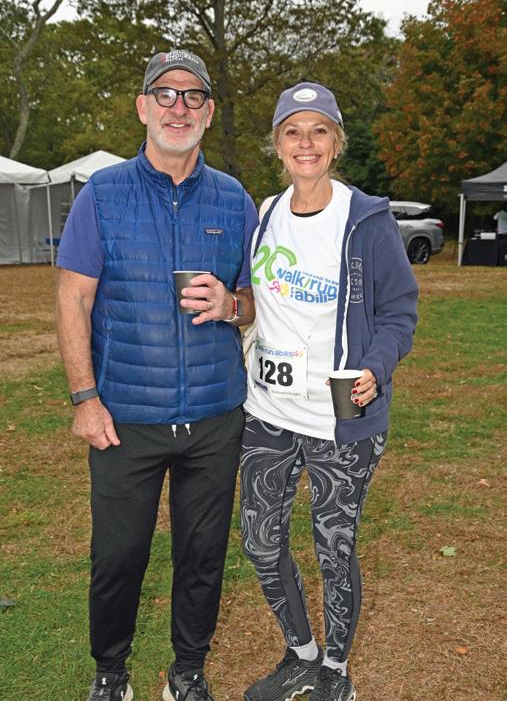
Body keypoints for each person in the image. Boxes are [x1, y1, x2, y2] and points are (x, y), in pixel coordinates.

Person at [55, 49, 257, 701]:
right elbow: (73, 300)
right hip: (125, 418)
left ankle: (187, 671)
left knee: (202, 555)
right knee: (118, 556)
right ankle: (110, 672)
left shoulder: (234, 199)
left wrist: (231, 306)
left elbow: (257, 299)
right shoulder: (102, 194)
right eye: (165, 94)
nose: (179, 107)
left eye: (193, 96)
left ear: (209, 111)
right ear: (143, 107)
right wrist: (85, 398)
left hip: (215, 417)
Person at [240, 82, 418, 701]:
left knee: (333, 548)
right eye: (293, 131)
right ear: (278, 144)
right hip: (268, 410)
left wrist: (376, 366)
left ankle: (336, 670)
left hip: (341, 415)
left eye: (319, 131)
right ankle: (300, 654)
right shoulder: (264, 214)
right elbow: (252, 298)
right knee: (260, 542)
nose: (306, 143)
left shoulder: (365, 219)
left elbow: (399, 309)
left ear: (336, 142)